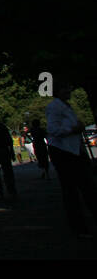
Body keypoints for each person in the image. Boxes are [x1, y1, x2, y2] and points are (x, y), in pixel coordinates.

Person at [45, 84, 97, 239]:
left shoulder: (65, 106)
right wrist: (73, 129)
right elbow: (53, 130)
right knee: (74, 189)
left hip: (73, 150)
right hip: (64, 151)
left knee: (86, 187)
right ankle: (79, 227)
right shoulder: (55, 107)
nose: (68, 91)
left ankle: (82, 224)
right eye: (65, 89)